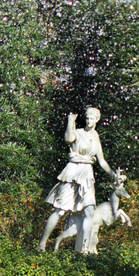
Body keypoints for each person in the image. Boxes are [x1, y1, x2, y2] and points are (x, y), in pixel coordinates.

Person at [39, 107, 118, 253]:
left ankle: (84, 249)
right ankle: (42, 244)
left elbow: (102, 161)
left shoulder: (96, 136)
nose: (89, 120)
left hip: (87, 175)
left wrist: (114, 175)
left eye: (92, 118)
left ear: (97, 120)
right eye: (87, 118)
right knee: (60, 210)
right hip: (73, 172)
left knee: (89, 211)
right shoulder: (78, 132)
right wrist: (70, 122)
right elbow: (68, 139)